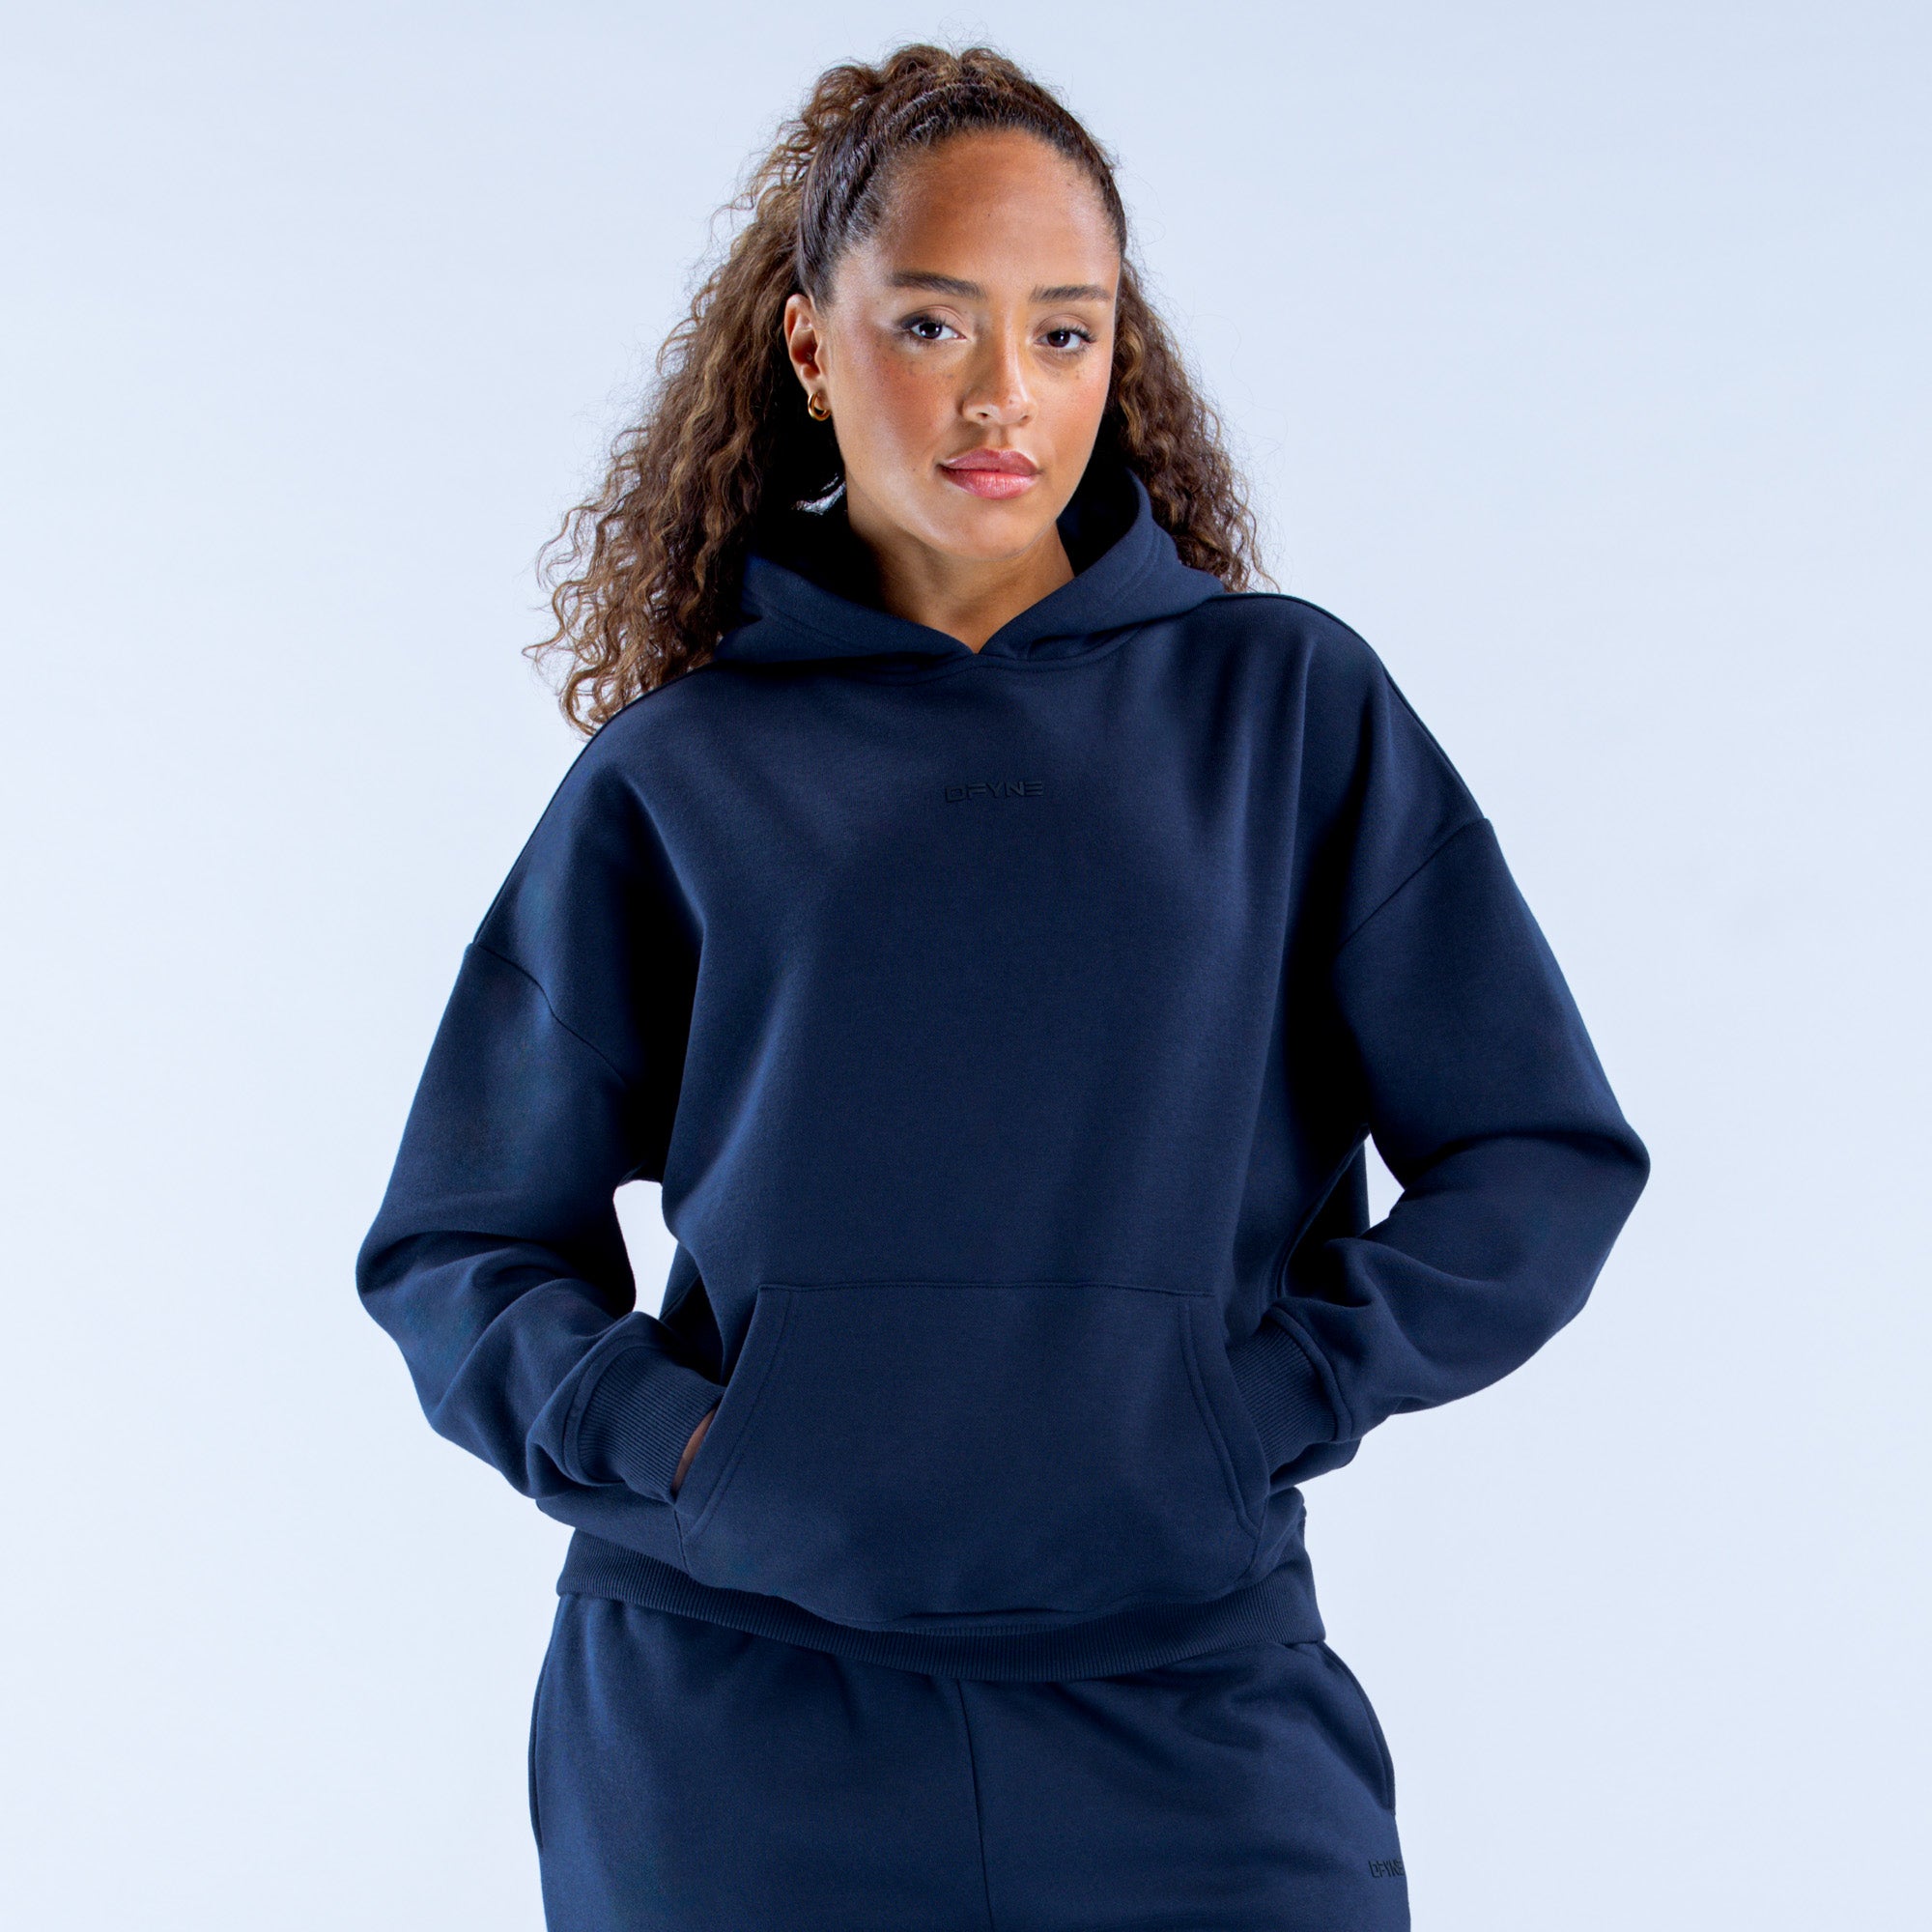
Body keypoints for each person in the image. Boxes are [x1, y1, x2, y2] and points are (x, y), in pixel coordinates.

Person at [355, 43, 1649, 1932]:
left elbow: (1535, 1151)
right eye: (932, 323)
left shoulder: (1286, 712)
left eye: (1063, 331)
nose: (1001, 394)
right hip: (739, 1720)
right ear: (812, 350)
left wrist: (1263, 1399)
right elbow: (459, 1243)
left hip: (1187, 1704)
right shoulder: (681, 771)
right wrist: (692, 1451)